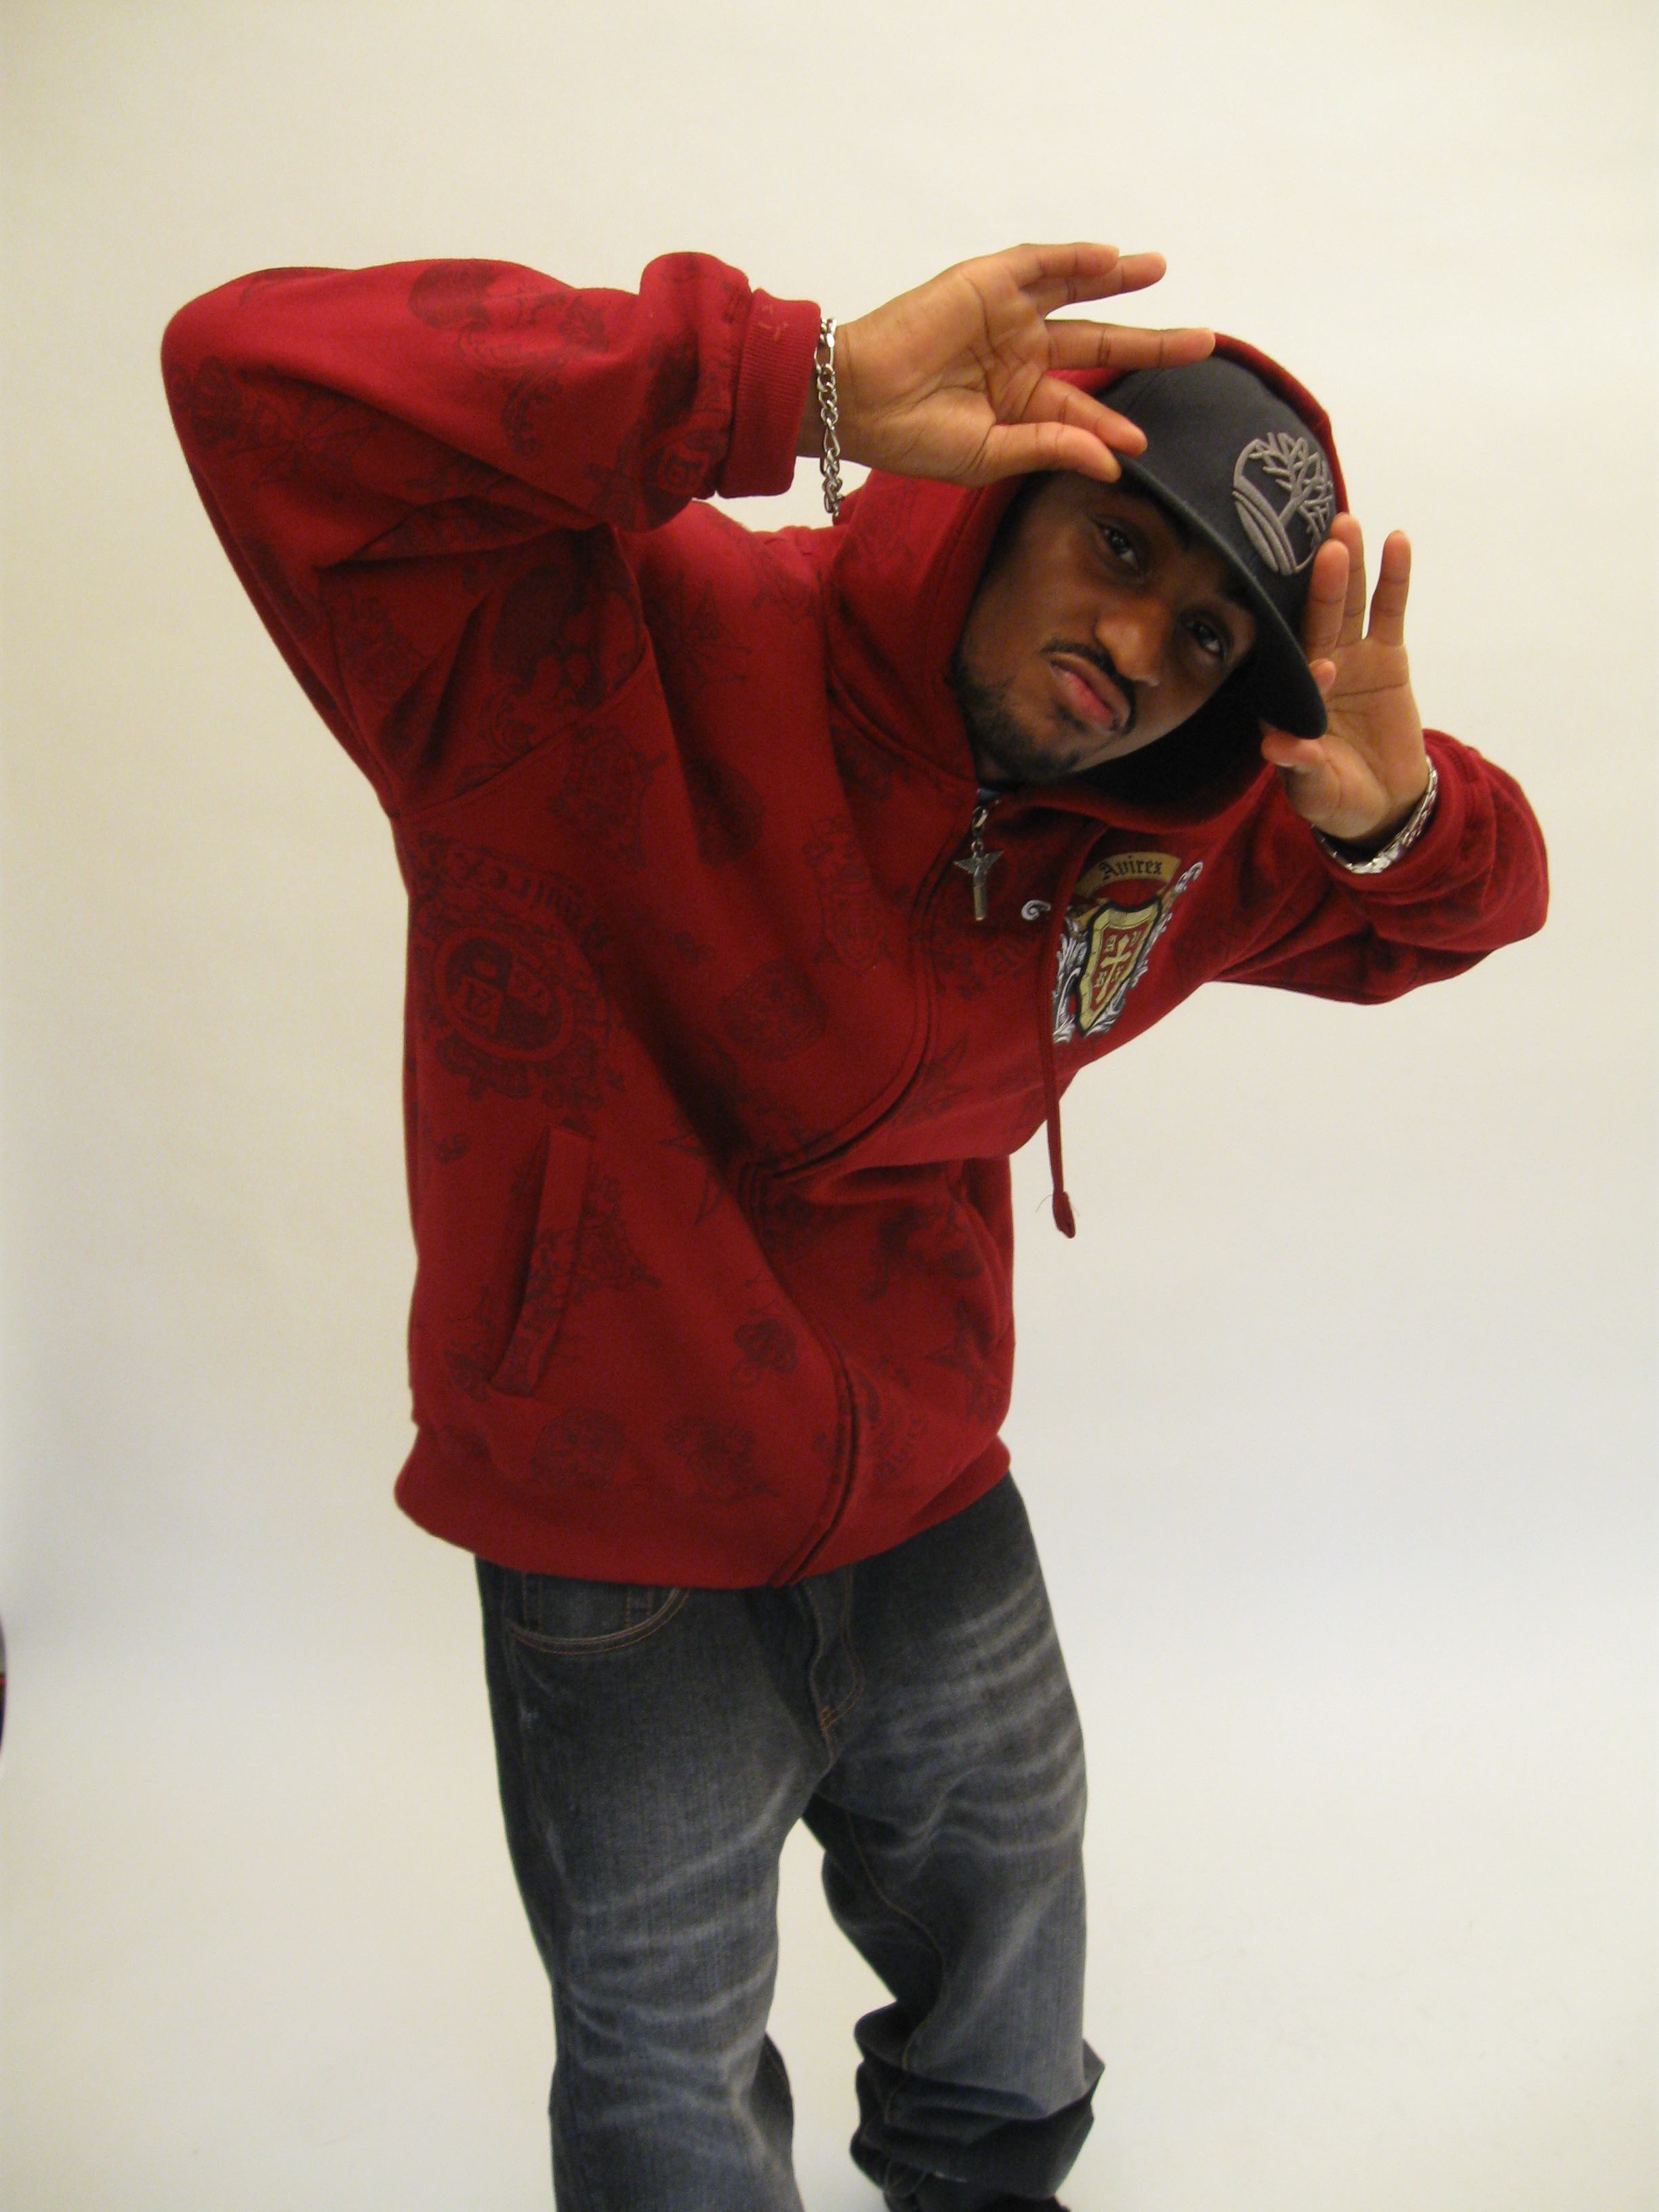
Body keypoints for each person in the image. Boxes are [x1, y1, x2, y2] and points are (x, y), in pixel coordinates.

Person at [161, 242, 1547, 2212]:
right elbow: (251, 374)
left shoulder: (1148, 836)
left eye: (1207, 637)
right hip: (614, 1532)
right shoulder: (615, 640)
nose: (1142, 644)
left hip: (929, 1506)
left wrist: (1393, 815)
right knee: (665, 2072)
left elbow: (1467, 909)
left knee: (1013, 1994)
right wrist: (786, 382)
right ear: (997, 495)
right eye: (1120, 547)